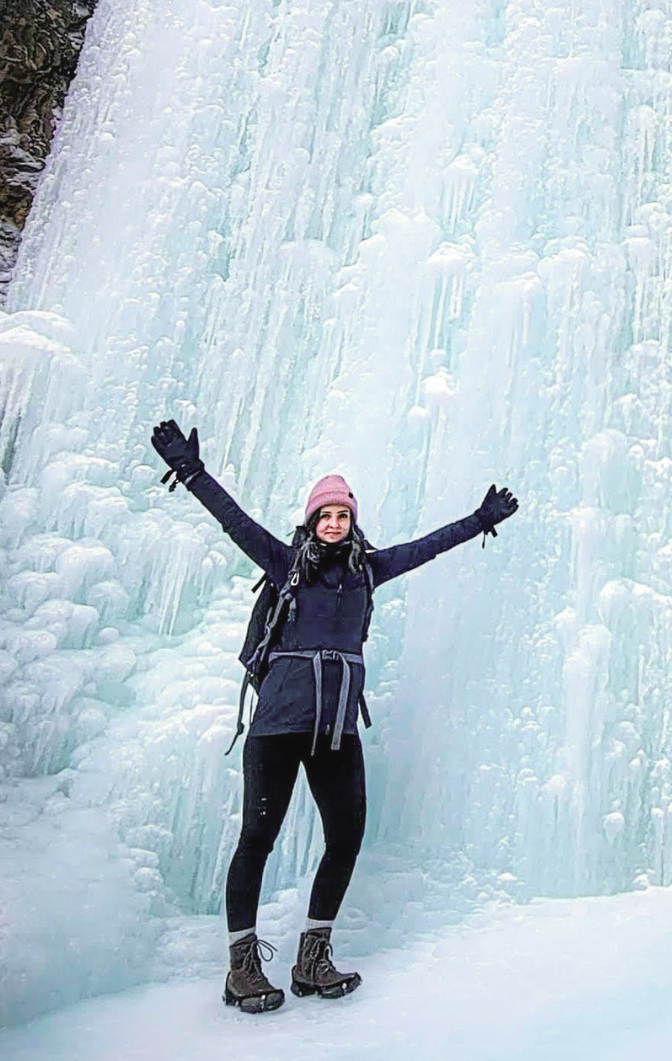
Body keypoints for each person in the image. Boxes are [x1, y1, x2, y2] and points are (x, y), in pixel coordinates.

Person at [149, 418, 518, 1014]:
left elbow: (423, 549)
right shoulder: (283, 562)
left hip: (335, 731)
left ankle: (312, 958)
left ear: (352, 521)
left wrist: (479, 522)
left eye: (343, 515)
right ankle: (241, 968)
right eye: (326, 515)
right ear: (312, 521)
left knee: (346, 837)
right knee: (257, 840)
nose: (335, 523)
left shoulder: (368, 571)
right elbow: (232, 518)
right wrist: (189, 470)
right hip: (277, 728)